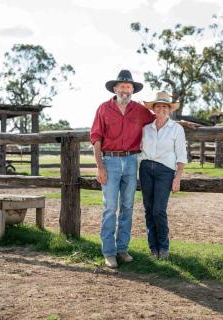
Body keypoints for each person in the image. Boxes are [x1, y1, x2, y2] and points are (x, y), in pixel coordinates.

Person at [90, 70, 155, 268]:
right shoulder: (103, 109)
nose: (125, 90)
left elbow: (159, 121)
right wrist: (99, 166)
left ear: (132, 90)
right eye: (122, 86)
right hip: (110, 161)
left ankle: (122, 248)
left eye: (128, 87)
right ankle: (109, 252)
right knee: (110, 207)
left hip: (131, 161)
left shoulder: (140, 111)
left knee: (127, 207)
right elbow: (96, 138)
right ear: (115, 88)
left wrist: (182, 124)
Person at [139, 91, 188, 259]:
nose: (161, 109)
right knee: (148, 210)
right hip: (145, 169)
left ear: (169, 109)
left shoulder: (177, 129)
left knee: (159, 209)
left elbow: (181, 155)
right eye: (158, 106)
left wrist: (178, 178)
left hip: (165, 171)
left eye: (165, 106)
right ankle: (153, 248)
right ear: (153, 109)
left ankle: (164, 248)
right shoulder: (146, 128)